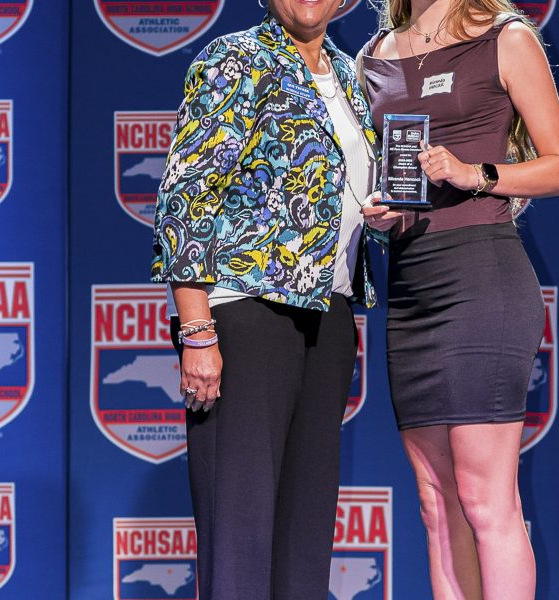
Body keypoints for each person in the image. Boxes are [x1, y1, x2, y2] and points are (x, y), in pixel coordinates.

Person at [150, 0, 379, 597]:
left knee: (306, 532)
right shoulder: (235, 58)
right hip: (246, 312)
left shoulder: (352, 75)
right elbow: (186, 197)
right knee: (240, 526)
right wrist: (197, 330)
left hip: (329, 315)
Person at [360, 1, 559, 598]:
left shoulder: (505, 37)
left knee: (485, 498)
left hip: (482, 279)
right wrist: (382, 210)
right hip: (411, 289)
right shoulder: (375, 54)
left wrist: (476, 174)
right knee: (435, 504)